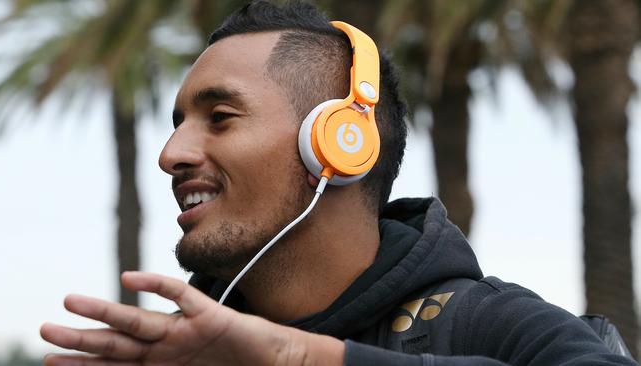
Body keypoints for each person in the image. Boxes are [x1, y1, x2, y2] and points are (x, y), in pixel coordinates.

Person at [40, 1, 637, 365]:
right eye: (177, 126)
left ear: (338, 144)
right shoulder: (175, 353)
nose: (171, 154)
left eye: (219, 118)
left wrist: (301, 360)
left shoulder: (488, 325)